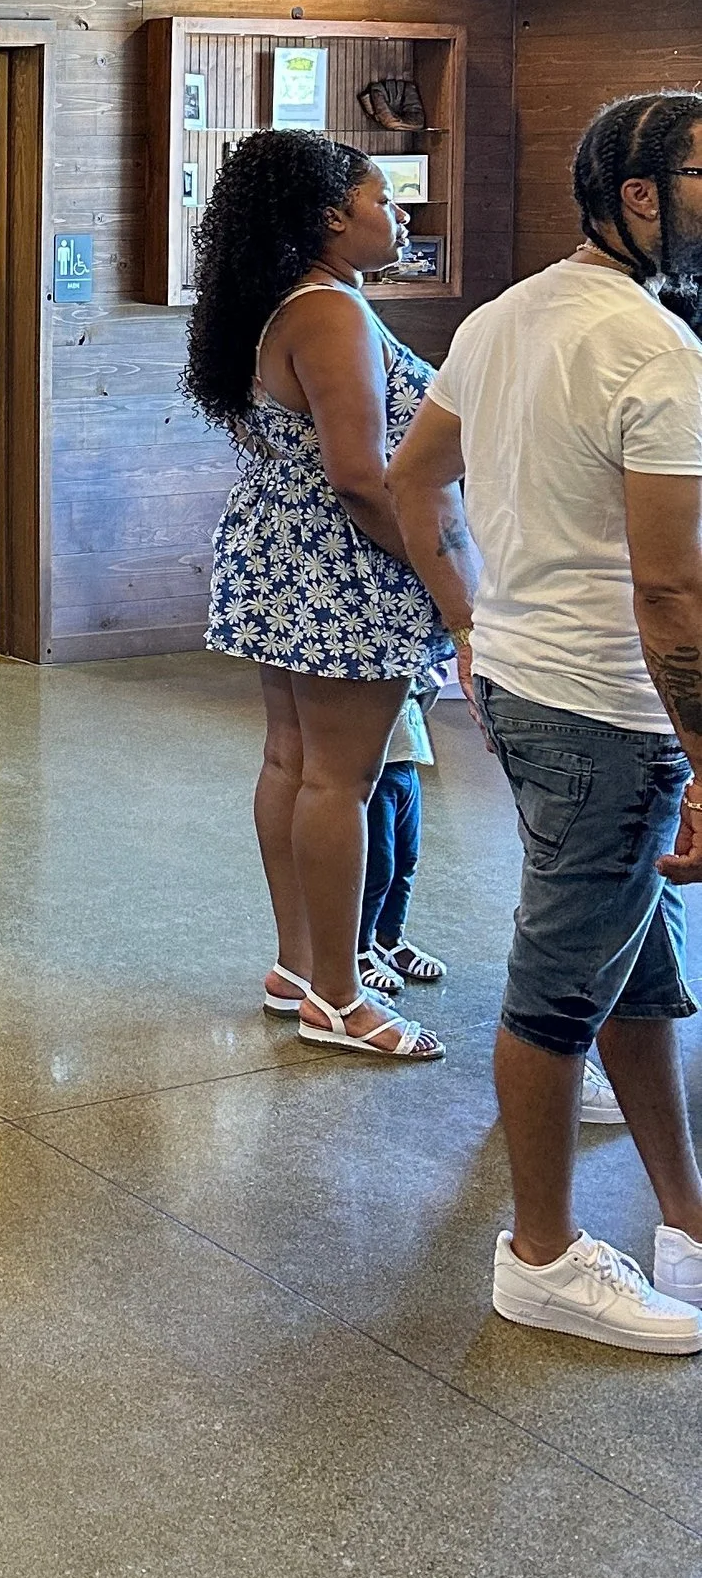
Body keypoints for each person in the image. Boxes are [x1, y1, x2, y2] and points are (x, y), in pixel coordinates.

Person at [391, 92, 702, 1353]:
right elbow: (670, 588)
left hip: (523, 684)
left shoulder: (505, 316)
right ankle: (541, 1254)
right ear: (641, 195)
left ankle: (684, 1213)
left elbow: (419, 481)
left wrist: (470, 624)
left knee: (632, 959)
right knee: (563, 978)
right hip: (609, 709)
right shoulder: (654, 356)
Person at [191, 132, 447, 1061]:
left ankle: (301, 965)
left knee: (295, 764)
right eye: (388, 198)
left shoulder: (287, 300)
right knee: (342, 778)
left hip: (284, 552)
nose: (402, 214)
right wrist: (440, 575)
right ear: (334, 213)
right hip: (344, 564)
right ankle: (339, 994)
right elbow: (360, 475)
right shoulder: (331, 310)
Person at [356, 680, 443, 1001]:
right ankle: (360, 948)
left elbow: (426, 694)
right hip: (377, 768)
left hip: (408, 760)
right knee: (379, 866)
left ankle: (389, 938)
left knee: (407, 858)